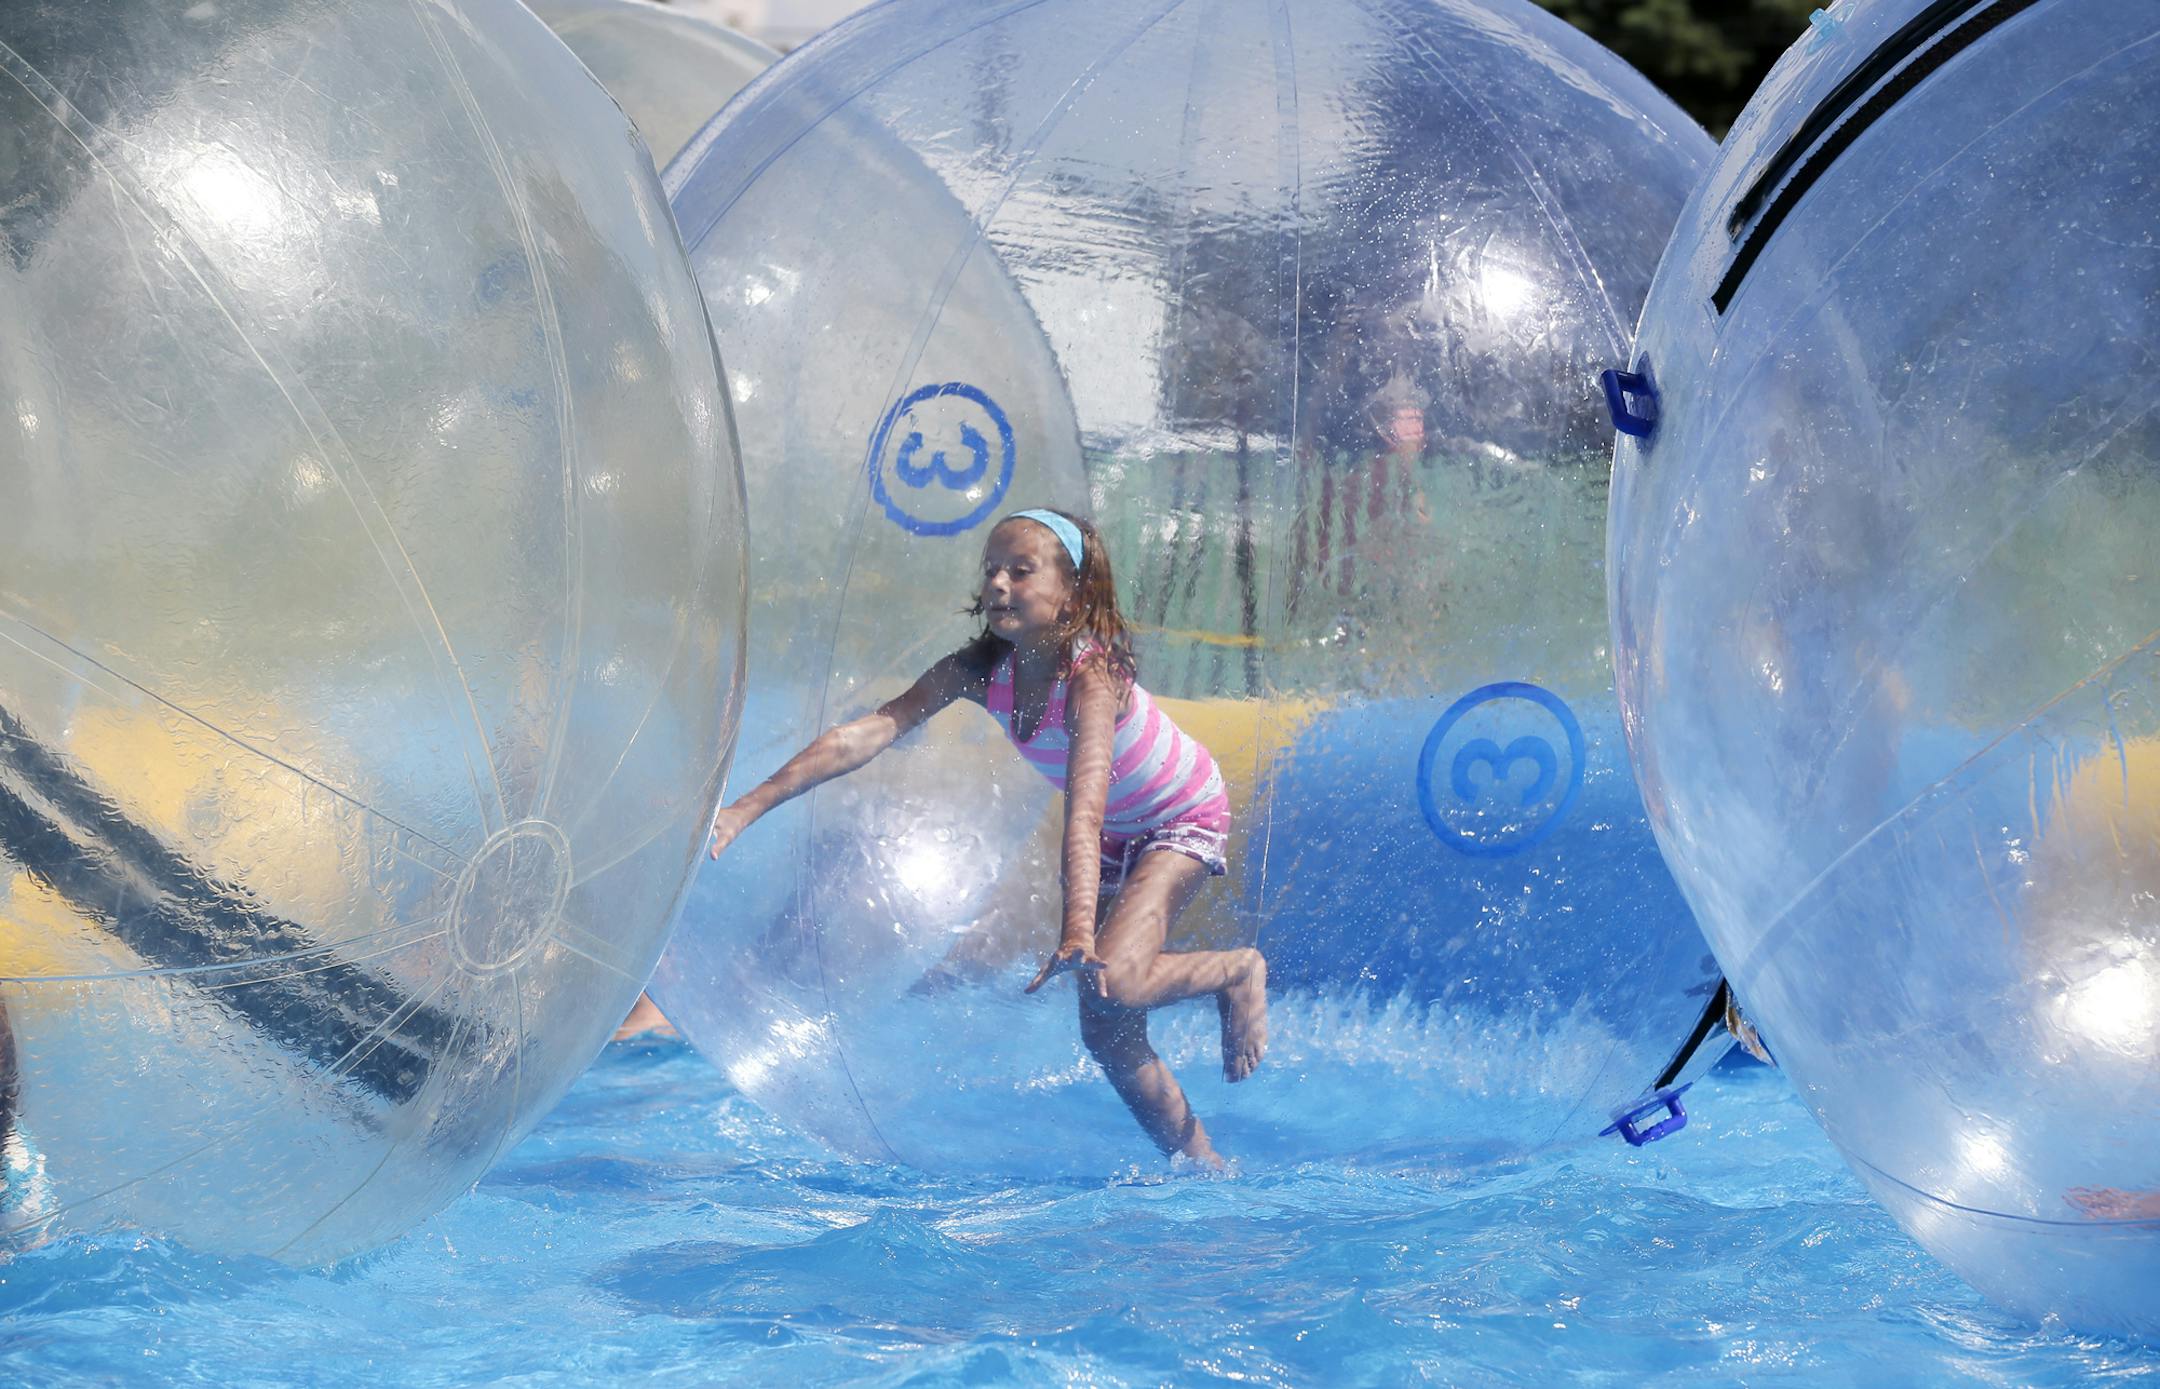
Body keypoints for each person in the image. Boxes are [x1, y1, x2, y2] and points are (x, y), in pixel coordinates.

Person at [706, 508, 1268, 1166]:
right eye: (991, 570)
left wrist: (1078, 933)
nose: (999, 583)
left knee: (1115, 976)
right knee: (1105, 1030)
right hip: (1120, 829)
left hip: (1179, 811)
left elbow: (1082, 812)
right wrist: (742, 809)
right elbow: (871, 731)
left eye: (1021, 571)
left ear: (1075, 593)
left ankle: (1237, 968)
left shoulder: (1091, 681)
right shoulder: (979, 670)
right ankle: (1205, 1165)